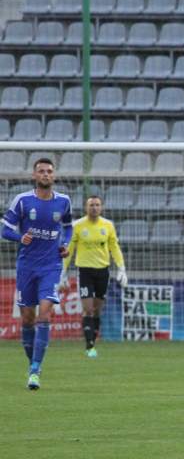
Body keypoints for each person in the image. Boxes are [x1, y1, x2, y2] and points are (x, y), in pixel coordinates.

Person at [2, 157, 73, 389]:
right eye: (41, 171)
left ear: (54, 175)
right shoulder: (22, 201)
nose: (45, 174)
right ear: (34, 175)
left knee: (45, 315)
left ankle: (35, 370)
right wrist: (20, 237)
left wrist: (66, 244)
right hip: (26, 267)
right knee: (27, 319)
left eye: (49, 171)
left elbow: (69, 226)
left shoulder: (64, 201)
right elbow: (5, 230)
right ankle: (33, 363)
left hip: (51, 267)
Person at [60, 195, 127, 357]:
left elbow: (114, 248)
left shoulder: (108, 225)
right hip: (85, 271)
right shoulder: (77, 226)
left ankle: (93, 340)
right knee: (88, 309)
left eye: (97, 205)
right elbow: (69, 250)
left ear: (101, 207)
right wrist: (63, 272)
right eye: (91, 205)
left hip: (103, 271)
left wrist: (122, 268)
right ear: (86, 207)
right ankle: (89, 346)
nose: (94, 208)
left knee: (97, 310)